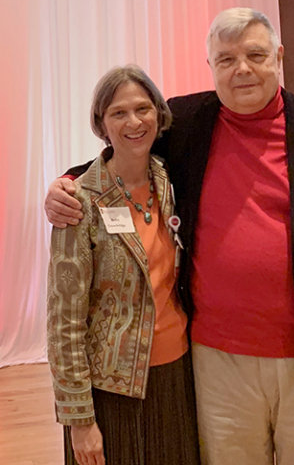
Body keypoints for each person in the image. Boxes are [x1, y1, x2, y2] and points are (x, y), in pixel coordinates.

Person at [45, 8, 294, 465]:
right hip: (215, 358)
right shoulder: (188, 120)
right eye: (227, 59)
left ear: (279, 56)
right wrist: (66, 183)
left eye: (255, 54)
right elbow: (124, 154)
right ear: (210, 65)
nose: (243, 69)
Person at [46, 65, 200, 465]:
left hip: (176, 376)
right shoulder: (79, 201)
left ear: (159, 115)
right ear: (101, 123)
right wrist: (79, 418)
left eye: (143, 109)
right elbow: (64, 321)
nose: (134, 122)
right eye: (118, 113)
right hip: (110, 390)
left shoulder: (171, 182)